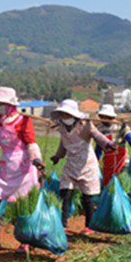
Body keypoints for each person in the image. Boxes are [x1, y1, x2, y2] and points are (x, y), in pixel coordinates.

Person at [0, 87, 45, 255]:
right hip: (5, 168)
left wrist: (37, 160)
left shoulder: (23, 121)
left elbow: (31, 142)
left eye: (0, 103)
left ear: (10, 105)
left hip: (23, 168)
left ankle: (25, 242)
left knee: (22, 208)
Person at [50, 99, 115, 233]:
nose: (65, 117)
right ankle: (63, 224)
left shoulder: (85, 125)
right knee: (65, 193)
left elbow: (97, 136)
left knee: (87, 197)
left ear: (74, 115)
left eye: (67, 114)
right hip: (71, 163)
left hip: (87, 164)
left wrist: (108, 144)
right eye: (62, 114)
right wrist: (57, 156)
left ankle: (89, 225)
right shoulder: (61, 127)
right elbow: (63, 144)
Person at [95, 104, 131, 187]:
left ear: (112, 117)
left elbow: (130, 138)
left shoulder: (121, 126)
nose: (104, 120)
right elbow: (98, 148)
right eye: (102, 117)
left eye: (107, 117)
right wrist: (96, 161)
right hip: (107, 163)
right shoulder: (99, 129)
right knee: (108, 185)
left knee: (121, 184)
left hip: (121, 161)